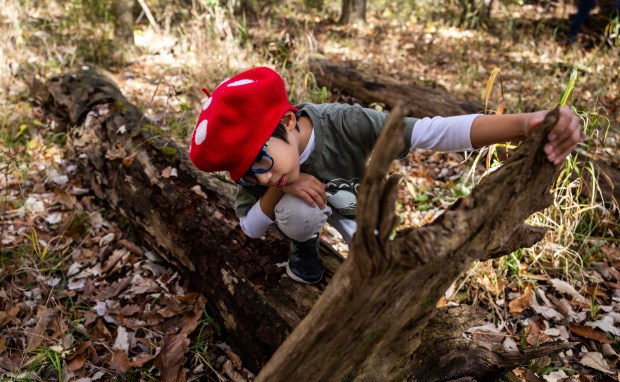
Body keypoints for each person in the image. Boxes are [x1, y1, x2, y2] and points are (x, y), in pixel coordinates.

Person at [188, 67, 581, 284]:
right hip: (306, 211)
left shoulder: (345, 123)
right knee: (297, 214)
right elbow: (251, 228)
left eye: (260, 163)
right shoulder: (261, 176)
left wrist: (525, 124)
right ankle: (304, 248)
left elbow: (432, 131)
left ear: (288, 121)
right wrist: (284, 185)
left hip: (355, 205)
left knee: (380, 271)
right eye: (246, 173)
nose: (258, 178)